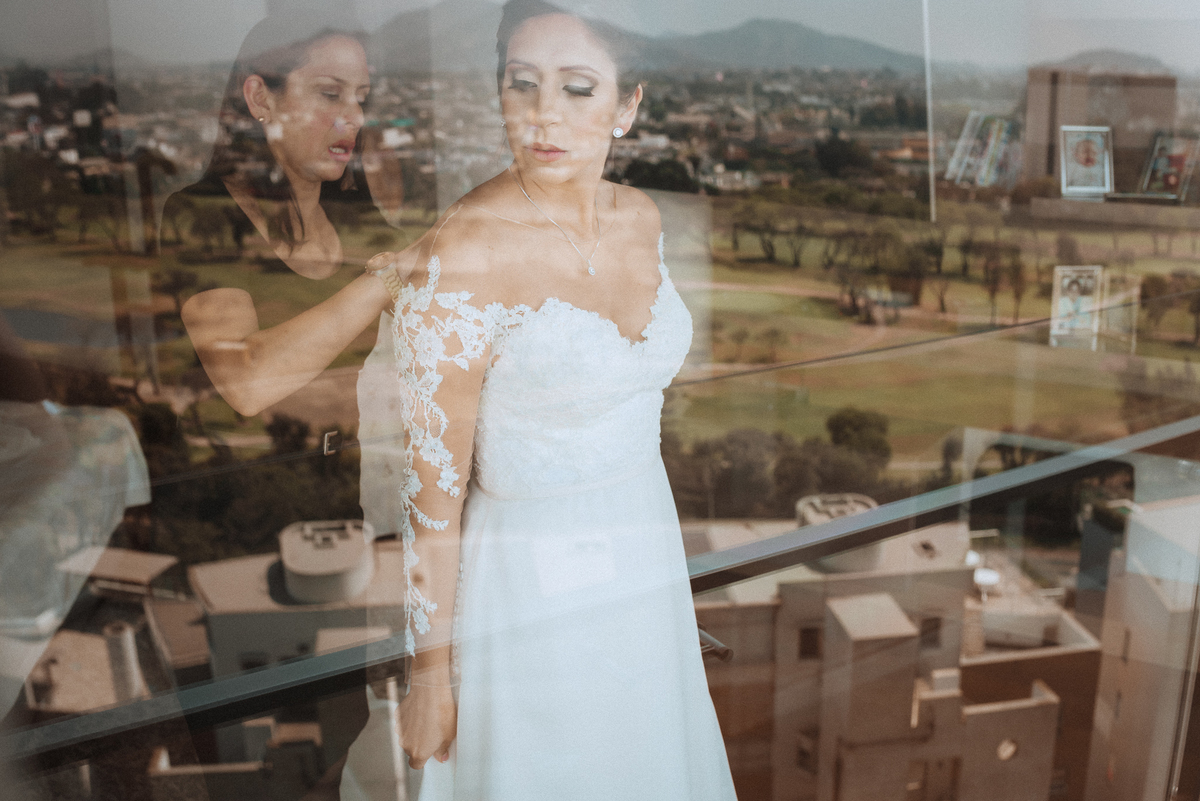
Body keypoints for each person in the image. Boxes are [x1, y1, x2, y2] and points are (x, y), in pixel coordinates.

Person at [355, 1, 738, 797]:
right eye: (521, 83)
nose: (543, 114)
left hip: (645, 552)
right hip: (528, 583)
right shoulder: (467, 249)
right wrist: (430, 674)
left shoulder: (641, 215)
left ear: (627, 105)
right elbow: (430, 490)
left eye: (577, 87)